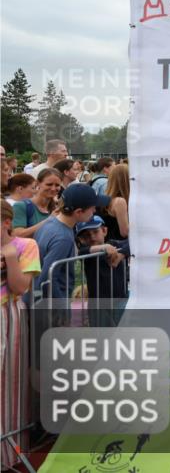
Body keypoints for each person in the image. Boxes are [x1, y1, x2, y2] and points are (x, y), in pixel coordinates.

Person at [1, 200, 41, 470]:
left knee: (8, 385)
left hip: (7, 316)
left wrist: (9, 255)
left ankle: (7, 454)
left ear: (6, 223)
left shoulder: (26, 246)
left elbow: (20, 286)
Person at [34, 183, 110, 302]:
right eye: (92, 207)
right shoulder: (63, 238)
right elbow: (47, 277)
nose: (95, 210)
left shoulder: (50, 223)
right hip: (49, 306)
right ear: (79, 212)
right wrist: (62, 308)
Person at [75, 215, 130, 326]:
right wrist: (103, 248)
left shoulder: (116, 245)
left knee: (123, 333)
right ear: (81, 240)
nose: (92, 237)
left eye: (95, 232)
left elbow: (133, 243)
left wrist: (122, 253)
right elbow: (82, 252)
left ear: (104, 231)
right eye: (86, 236)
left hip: (120, 300)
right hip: (98, 304)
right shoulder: (87, 252)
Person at [12, 168, 61, 238]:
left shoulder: (56, 209)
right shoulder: (21, 206)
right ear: (38, 183)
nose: (53, 188)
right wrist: (49, 220)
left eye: (57, 185)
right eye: (49, 184)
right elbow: (17, 235)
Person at [100, 164, 130, 240]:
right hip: (119, 246)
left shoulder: (107, 198)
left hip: (110, 243)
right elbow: (124, 232)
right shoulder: (120, 201)